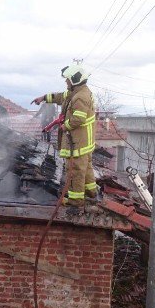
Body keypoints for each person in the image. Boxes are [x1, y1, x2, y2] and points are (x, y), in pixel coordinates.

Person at [31, 64, 97, 208]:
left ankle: (76, 201)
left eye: (67, 79)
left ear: (75, 79)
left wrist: (64, 126)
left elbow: (78, 119)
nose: (66, 82)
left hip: (78, 142)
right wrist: (43, 98)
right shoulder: (77, 92)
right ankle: (91, 192)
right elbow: (61, 97)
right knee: (86, 168)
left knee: (75, 171)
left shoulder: (80, 97)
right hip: (85, 141)